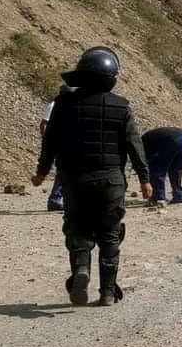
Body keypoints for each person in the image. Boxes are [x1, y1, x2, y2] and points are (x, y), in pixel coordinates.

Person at [32, 46, 152, 307]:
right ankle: (107, 292)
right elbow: (134, 145)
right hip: (111, 181)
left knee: (77, 227)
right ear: (111, 78)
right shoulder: (121, 107)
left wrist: (42, 172)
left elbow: (49, 142)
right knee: (110, 233)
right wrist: (145, 179)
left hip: (75, 179)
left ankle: (82, 268)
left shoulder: (63, 105)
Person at [40, 84, 73, 211]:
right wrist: (48, 141)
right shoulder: (54, 105)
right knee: (62, 172)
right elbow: (44, 124)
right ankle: (54, 200)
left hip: (65, 143)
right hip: (59, 144)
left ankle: (60, 199)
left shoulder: (64, 106)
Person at [141, 127, 182, 205]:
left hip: (172, 140)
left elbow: (145, 163)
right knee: (176, 169)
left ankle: (158, 198)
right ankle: (179, 196)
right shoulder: (145, 139)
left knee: (156, 169)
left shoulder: (141, 145)